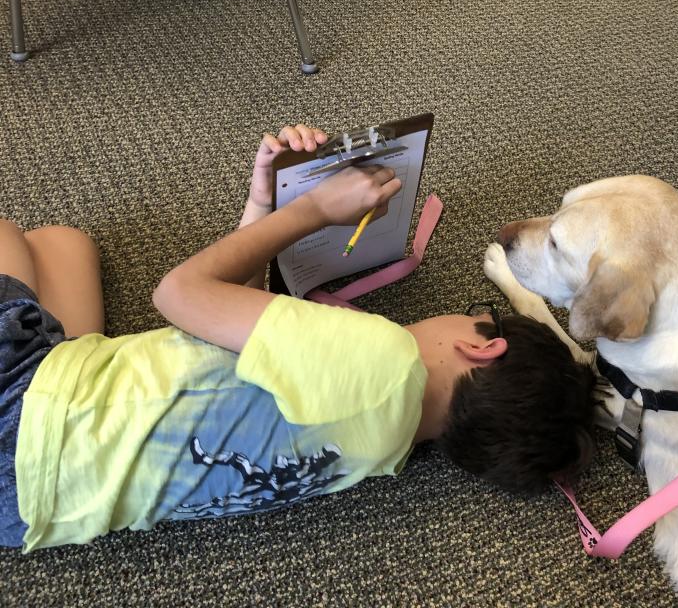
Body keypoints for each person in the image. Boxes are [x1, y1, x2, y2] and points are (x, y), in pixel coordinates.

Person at [0, 125, 596, 552]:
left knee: (9, 233)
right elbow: (236, 330)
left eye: (479, 315)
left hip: (23, 409)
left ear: (483, 343)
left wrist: (311, 209)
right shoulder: (386, 450)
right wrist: (263, 201)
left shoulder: (385, 356)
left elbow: (178, 295)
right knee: (63, 243)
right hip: (36, 509)